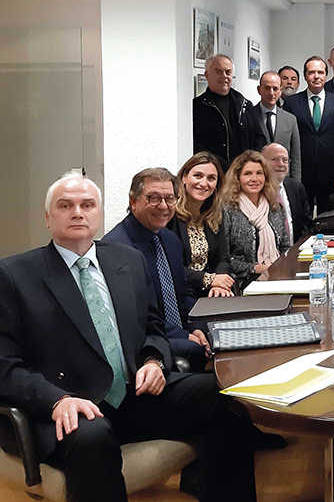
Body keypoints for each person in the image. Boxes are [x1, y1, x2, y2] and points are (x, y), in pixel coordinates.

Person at [0, 173, 260, 501]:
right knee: (91, 436)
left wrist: (153, 360)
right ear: (48, 217)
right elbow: (5, 366)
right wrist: (55, 399)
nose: (78, 212)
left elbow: (153, 327)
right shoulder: (14, 275)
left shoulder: (126, 260)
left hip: (133, 395)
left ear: (99, 212)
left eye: (87, 204)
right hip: (70, 406)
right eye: (65, 206)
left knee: (222, 396)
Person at [103, 168, 211, 370]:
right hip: (146, 341)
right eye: (153, 198)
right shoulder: (117, 248)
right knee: (200, 353)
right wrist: (183, 335)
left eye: (170, 199)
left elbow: (183, 292)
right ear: (133, 202)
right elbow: (135, 315)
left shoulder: (169, 239)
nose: (163, 206)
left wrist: (195, 328)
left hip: (178, 330)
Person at [282, 56, 334, 212]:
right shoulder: (292, 103)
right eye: (312, 72)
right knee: (301, 216)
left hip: (331, 174)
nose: (316, 76)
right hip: (302, 172)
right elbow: (288, 141)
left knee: (331, 218)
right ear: (306, 76)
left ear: (326, 75)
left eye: (320, 72)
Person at [167, 151, 236, 298]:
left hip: (210, 292)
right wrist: (210, 279)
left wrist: (220, 283)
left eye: (211, 178)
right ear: (184, 178)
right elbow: (172, 267)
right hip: (180, 294)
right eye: (198, 176)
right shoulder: (169, 215)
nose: (204, 183)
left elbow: (223, 259)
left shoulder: (215, 215)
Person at [222, 150, 290, 288]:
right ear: (237, 178)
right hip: (243, 283)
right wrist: (255, 268)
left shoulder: (275, 208)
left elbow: (285, 247)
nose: (254, 179)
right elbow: (225, 258)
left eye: (259, 173)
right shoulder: (228, 210)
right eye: (247, 174)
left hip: (278, 278)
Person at [193, 54, 252, 171]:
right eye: (218, 72)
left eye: (228, 72)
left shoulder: (244, 105)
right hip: (212, 173)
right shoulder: (196, 106)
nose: (224, 76)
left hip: (241, 173)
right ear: (207, 75)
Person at [248, 71, 302, 181]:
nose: (271, 93)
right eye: (267, 88)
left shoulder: (290, 119)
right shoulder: (248, 117)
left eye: (275, 88)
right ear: (259, 90)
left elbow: (295, 156)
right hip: (257, 179)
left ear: (280, 90)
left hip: (283, 179)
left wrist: (296, 183)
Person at [262, 142, 312, 245]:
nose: (281, 164)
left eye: (285, 160)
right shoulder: (257, 190)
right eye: (274, 159)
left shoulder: (296, 188)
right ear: (262, 162)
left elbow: (307, 225)